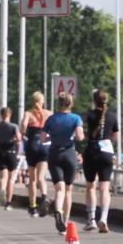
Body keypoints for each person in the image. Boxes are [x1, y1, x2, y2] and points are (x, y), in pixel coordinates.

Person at [43, 91, 85, 234]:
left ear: (59, 103)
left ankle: (57, 211)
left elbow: (43, 139)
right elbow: (80, 136)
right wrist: (74, 135)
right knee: (68, 190)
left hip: (54, 154)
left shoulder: (51, 119)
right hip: (69, 154)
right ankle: (65, 223)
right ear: (71, 103)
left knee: (59, 188)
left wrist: (53, 138)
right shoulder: (76, 118)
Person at [82, 89, 120, 233]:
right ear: (106, 101)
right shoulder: (112, 116)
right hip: (106, 152)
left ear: (94, 101)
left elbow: (82, 132)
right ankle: (103, 219)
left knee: (91, 186)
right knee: (104, 188)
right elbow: (116, 137)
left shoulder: (89, 115)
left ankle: (91, 220)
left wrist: (88, 136)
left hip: (91, 151)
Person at [20, 91, 53, 217]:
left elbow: (23, 128)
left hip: (33, 143)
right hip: (45, 142)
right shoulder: (49, 113)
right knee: (41, 177)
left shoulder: (28, 113)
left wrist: (25, 131)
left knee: (32, 179)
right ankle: (44, 197)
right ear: (42, 101)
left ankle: (32, 207)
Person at [0, 106, 21, 209]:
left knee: (3, 177)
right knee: (11, 179)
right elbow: (19, 138)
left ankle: (1, 191)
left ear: (1, 115)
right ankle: (8, 203)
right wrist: (12, 140)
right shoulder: (14, 126)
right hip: (11, 152)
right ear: (10, 115)